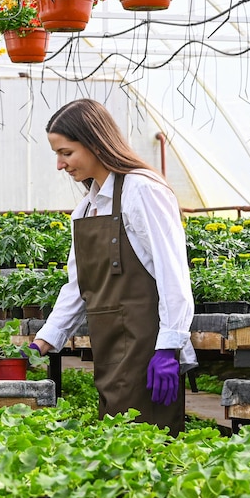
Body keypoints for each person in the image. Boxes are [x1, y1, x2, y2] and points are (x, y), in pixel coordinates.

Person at [30, 98, 197, 436]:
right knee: (118, 445)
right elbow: (78, 288)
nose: (60, 165)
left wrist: (169, 347)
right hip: (109, 351)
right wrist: (42, 343)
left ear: (93, 142)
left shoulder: (142, 192)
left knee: (149, 449)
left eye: (66, 152)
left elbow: (173, 274)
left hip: (147, 352)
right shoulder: (86, 210)